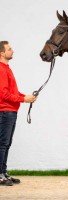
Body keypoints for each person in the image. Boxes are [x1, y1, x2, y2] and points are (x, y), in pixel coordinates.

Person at [0, 41, 37, 186]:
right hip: (5, 111)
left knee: (6, 144)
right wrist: (23, 99)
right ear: (2, 53)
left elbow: (12, 92)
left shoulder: (6, 68)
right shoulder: (2, 69)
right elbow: (3, 94)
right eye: (9, 49)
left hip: (11, 111)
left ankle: (3, 172)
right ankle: (0, 174)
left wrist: (26, 97)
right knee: (2, 144)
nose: (12, 51)